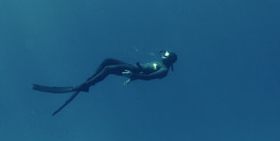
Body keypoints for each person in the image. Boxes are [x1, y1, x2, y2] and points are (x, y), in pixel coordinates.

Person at [33, 50, 178, 116]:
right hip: (133, 68)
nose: (163, 56)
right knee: (107, 60)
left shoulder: (163, 70)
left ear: (169, 60)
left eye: (165, 55)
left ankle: (85, 86)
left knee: (108, 69)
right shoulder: (161, 62)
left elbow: (148, 78)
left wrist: (133, 76)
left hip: (134, 71)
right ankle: (88, 82)